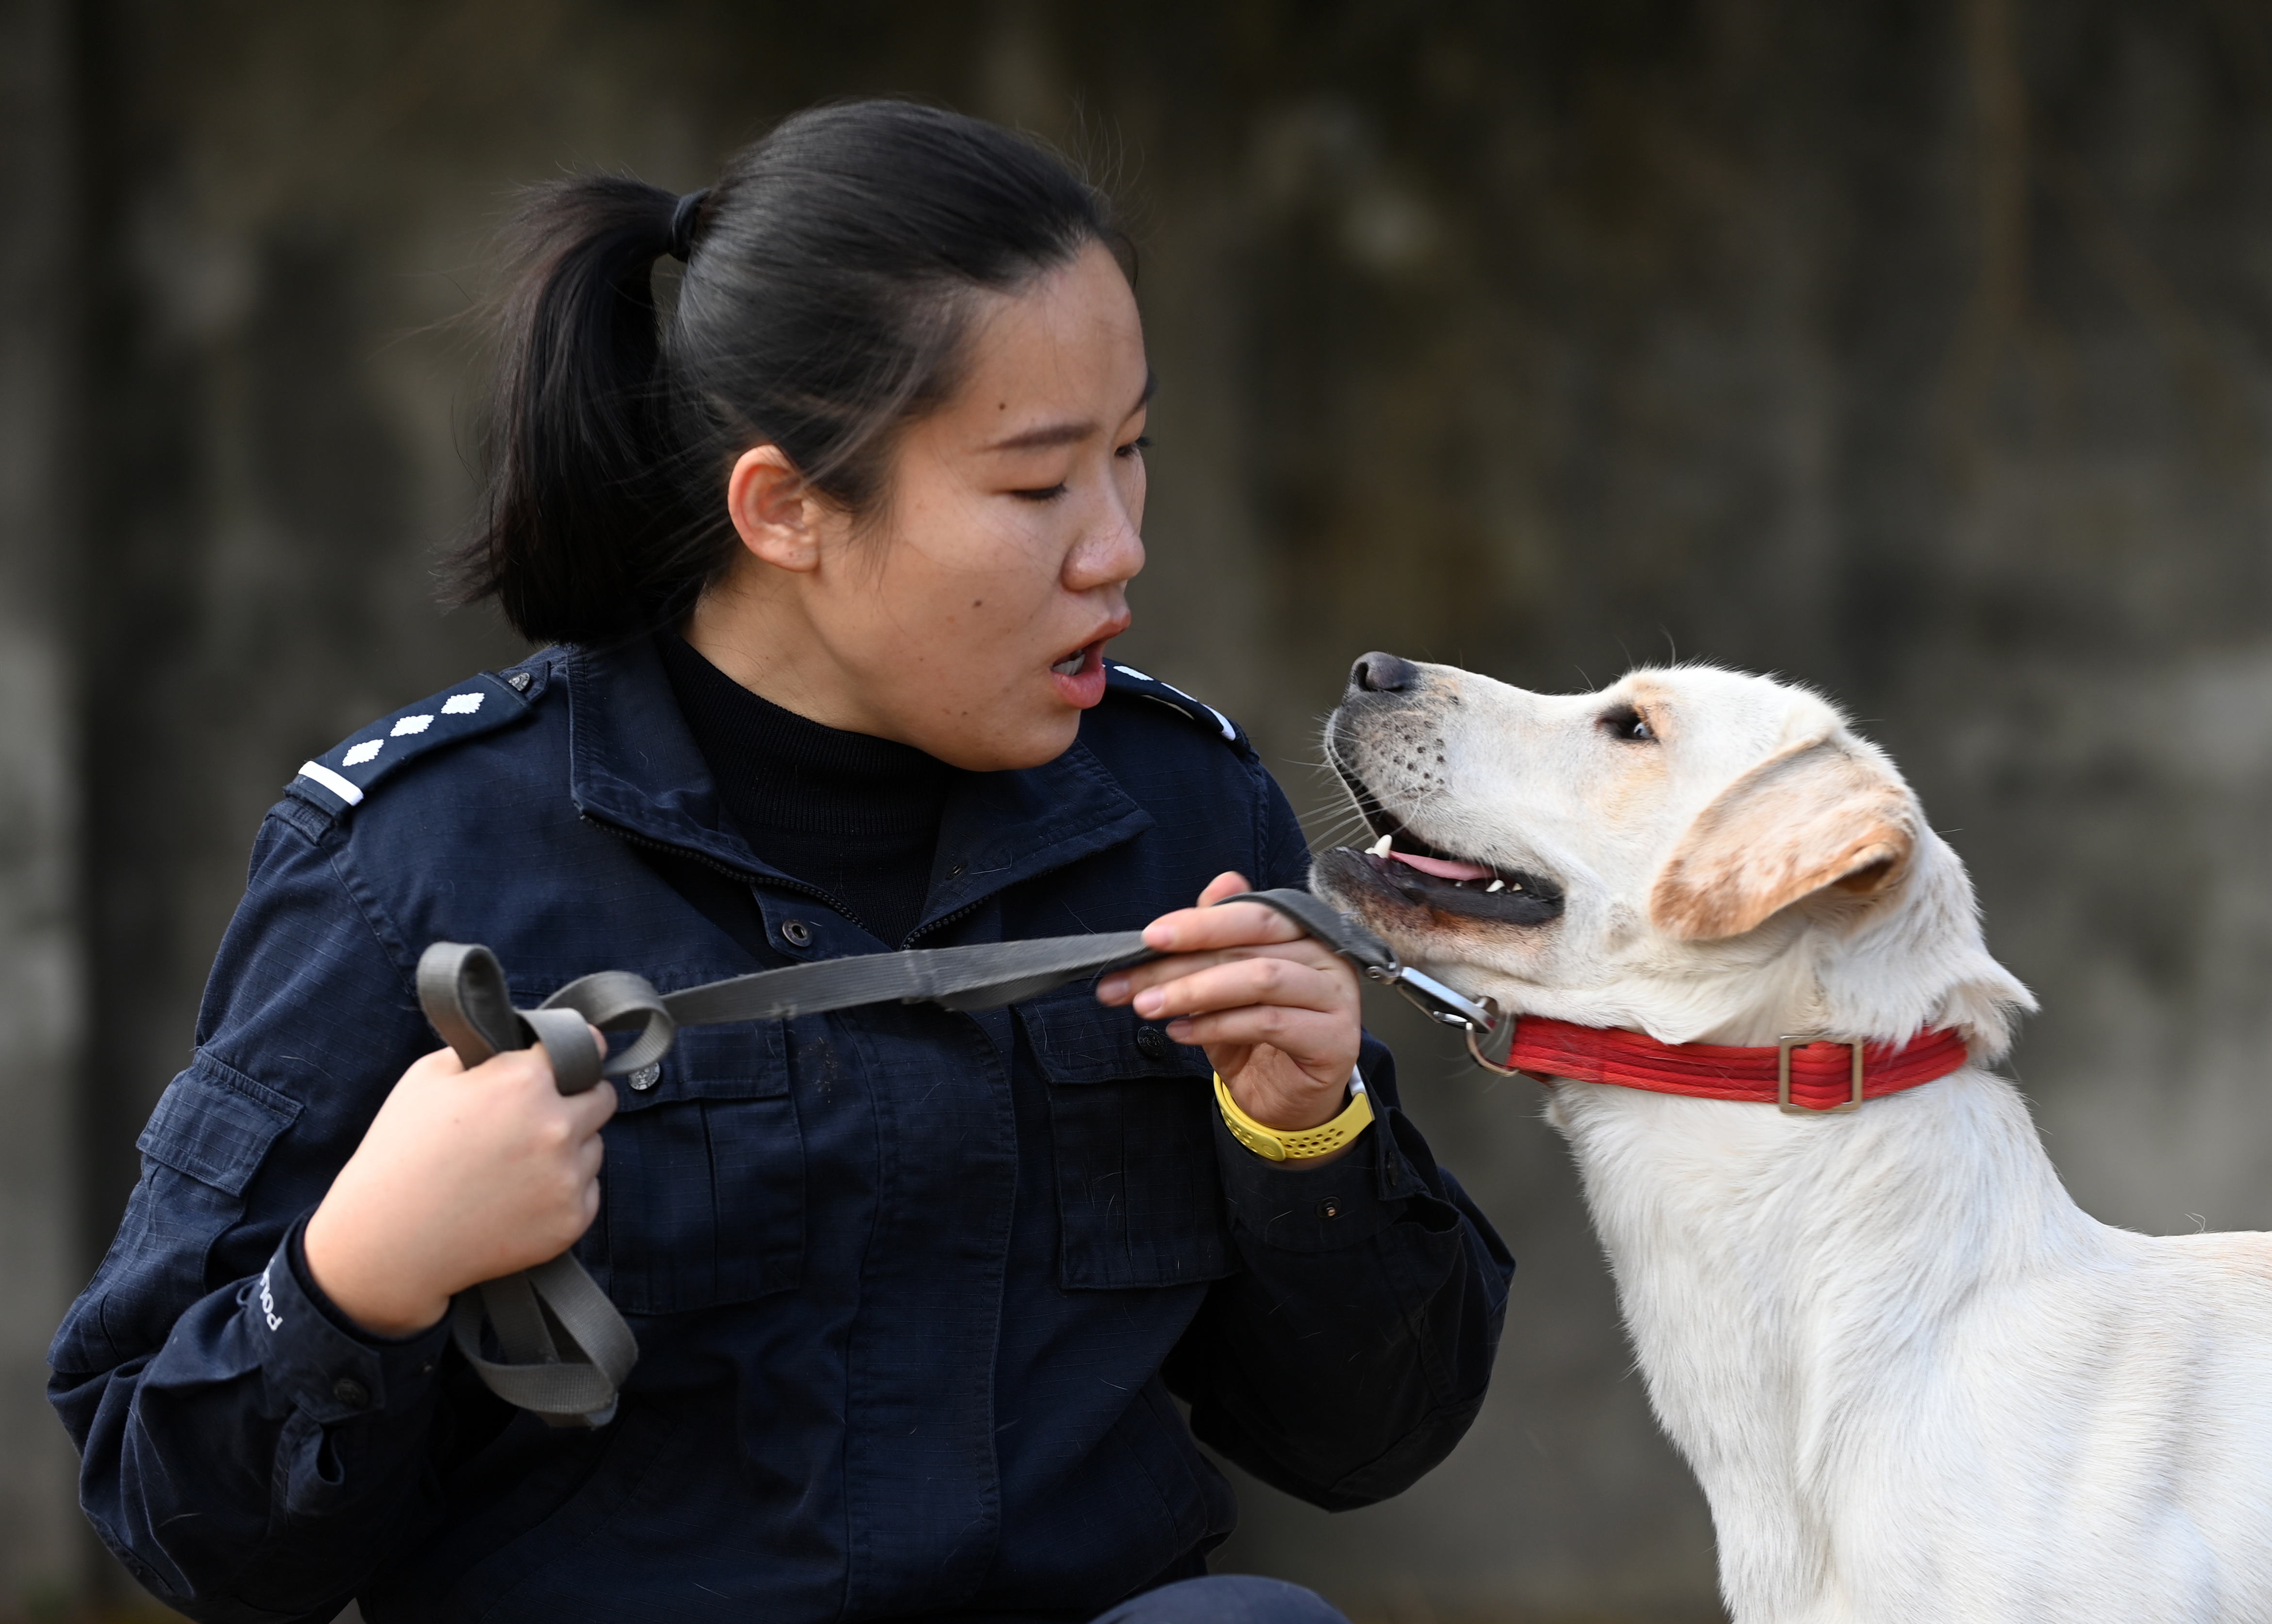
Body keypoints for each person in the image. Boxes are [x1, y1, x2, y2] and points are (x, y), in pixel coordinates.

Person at [48, 101, 1513, 1624]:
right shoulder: (415, 863)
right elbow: (186, 1526)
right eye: (1035, 486)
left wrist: (1306, 1137)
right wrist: (363, 1274)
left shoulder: (1183, 815)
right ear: (787, 509)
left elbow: (1366, 1441)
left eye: (1131, 451)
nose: (1117, 543)